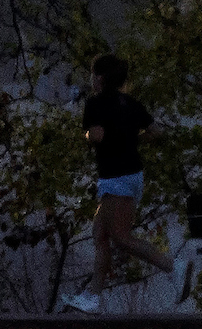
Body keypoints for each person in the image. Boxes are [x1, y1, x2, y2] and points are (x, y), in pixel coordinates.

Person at [59, 53, 174, 314]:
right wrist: (132, 140)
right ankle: (93, 297)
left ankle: (171, 267)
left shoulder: (95, 104)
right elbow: (157, 132)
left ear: (100, 78)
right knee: (100, 233)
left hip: (116, 177)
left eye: (92, 74)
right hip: (130, 175)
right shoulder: (130, 103)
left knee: (120, 237)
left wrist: (87, 134)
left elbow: (97, 135)